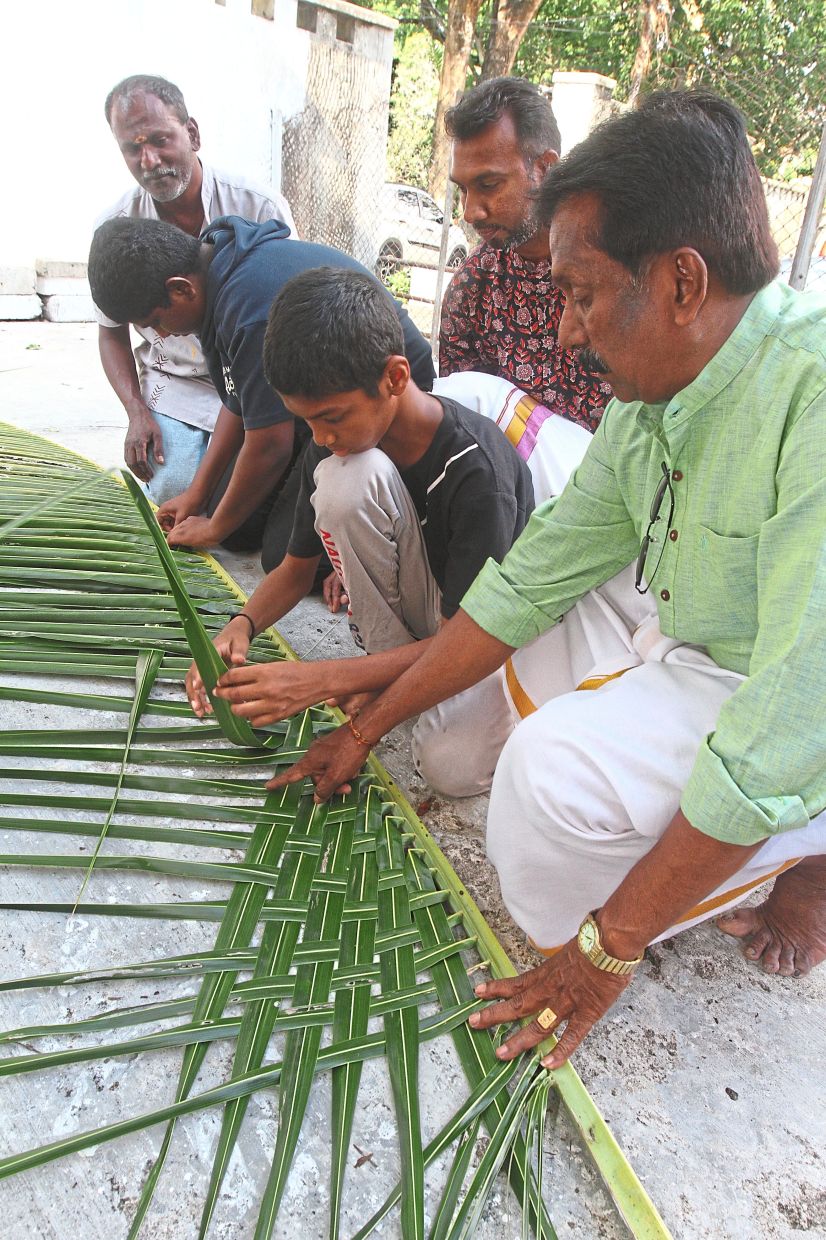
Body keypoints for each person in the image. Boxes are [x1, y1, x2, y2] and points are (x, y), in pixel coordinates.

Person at [264, 90, 826, 1070]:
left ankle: (803, 850)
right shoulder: (651, 402)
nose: (565, 333)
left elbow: (784, 723)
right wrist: (364, 727)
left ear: (682, 283)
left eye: (579, 293)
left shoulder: (810, 397)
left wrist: (606, 954)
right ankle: (729, 858)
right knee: (535, 793)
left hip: (801, 699)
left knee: (591, 844)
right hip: (713, 654)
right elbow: (529, 584)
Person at [187, 267, 538, 796]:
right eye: (306, 421)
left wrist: (328, 681)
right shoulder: (334, 442)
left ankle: (389, 681)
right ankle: (384, 673)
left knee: (450, 769)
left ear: (395, 378)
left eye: (331, 417)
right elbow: (294, 569)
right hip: (431, 625)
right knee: (344, 482)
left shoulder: (476, 473)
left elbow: (463, 641)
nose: (320, 436)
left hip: (486, 635)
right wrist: (241, 625)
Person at [87, 218, 435, 571]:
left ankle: (384, 533)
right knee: (237, 529)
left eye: (154, 321)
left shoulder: (247, 308)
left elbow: (270, 444)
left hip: (373, 403)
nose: (161, 333)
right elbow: (237, 400)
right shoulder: (214, 266)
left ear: (180, 290)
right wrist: (197, 494)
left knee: (282, 554)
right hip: (321, 397)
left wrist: (213, 528)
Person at [95, 74, 297, 504]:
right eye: (133, 148)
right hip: (176, 385)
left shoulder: (258, 207)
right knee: (175, 491)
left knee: (250, 496)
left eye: (160, 140)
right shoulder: (116, 229)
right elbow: (109, 331)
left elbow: (286, 318)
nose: (148, 160)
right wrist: (136, 411)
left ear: (192, 133)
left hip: (251, 374)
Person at [438, 77, 611, 433]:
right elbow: (466, 439)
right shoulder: (472, 290)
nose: (470, 212)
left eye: (488, 185)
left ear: (544, 169)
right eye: (463, 190)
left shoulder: (614, 266)